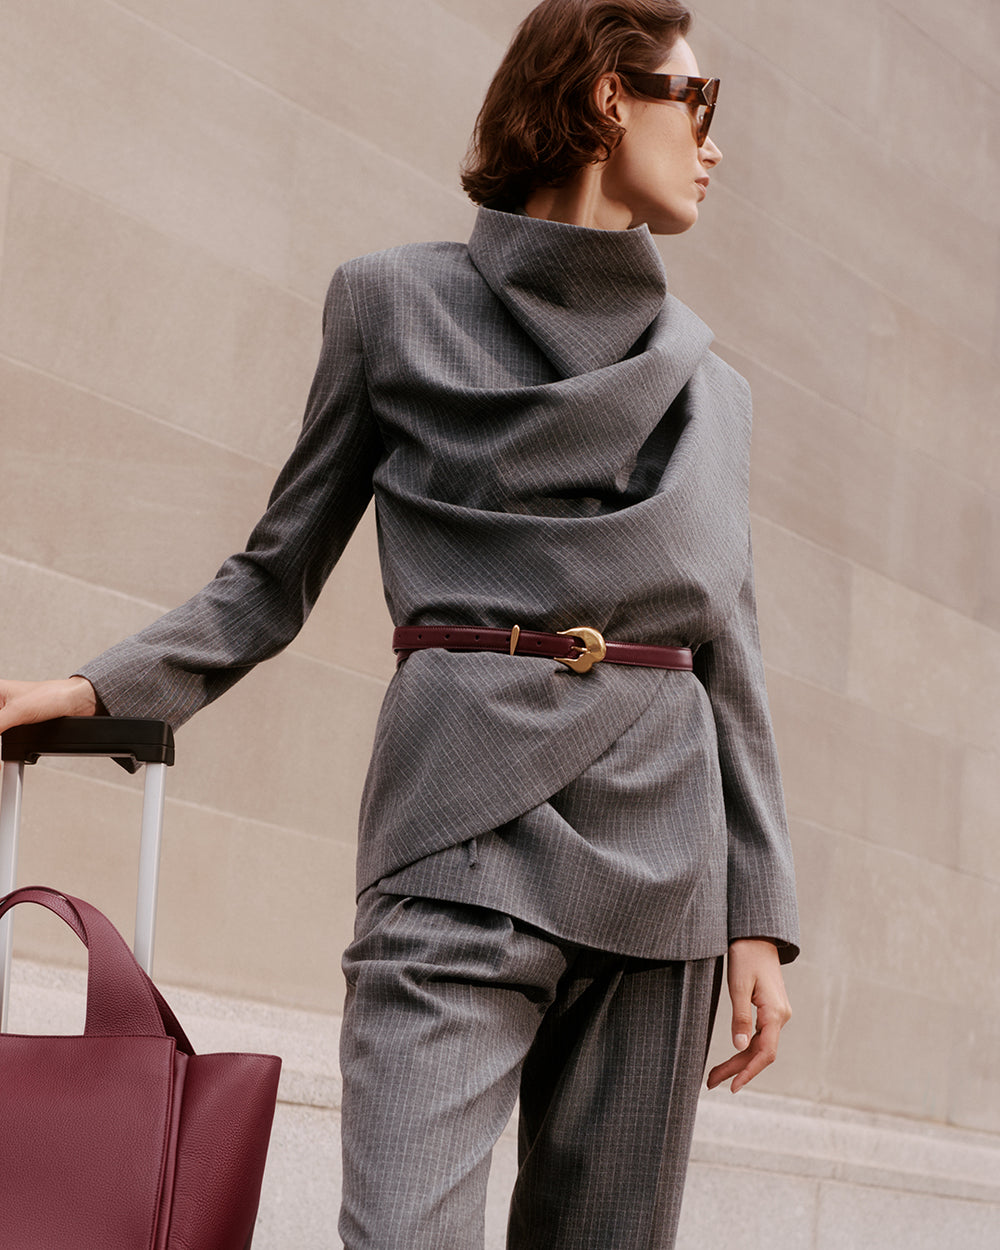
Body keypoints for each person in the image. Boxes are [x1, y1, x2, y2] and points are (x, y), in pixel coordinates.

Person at [0, 1, 798, 1245]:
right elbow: (275, 570)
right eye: (694, 104)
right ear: (605, 98)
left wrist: (759, 911)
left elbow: (726, 653)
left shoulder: (716, 392)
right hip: (457, 832)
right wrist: (102, 687)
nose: (711, 145)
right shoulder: (391, 304)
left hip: (666, 866)